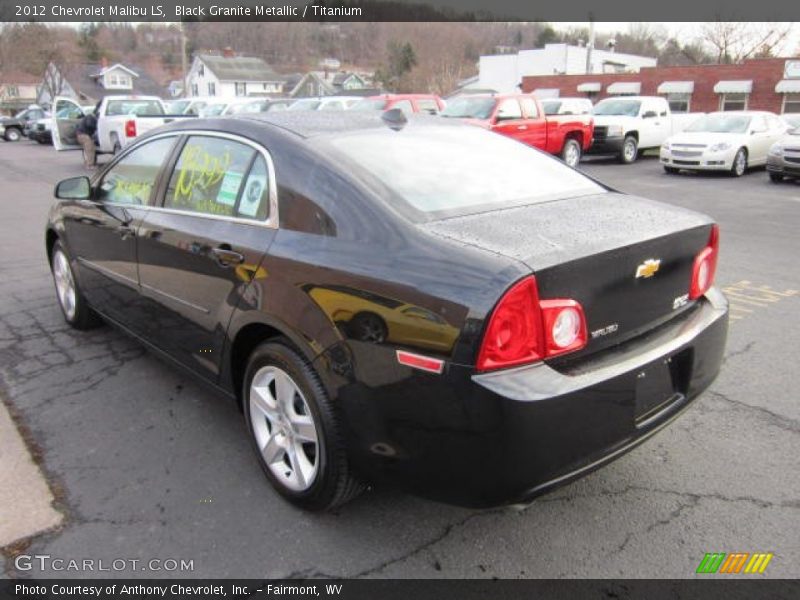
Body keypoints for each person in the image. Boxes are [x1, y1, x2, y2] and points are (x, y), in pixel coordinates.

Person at [75, 102, 100, 169]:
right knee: (90, 149)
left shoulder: (89, 117)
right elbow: (90, 125)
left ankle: (87, 163)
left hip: (80, 135)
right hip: (83, 135)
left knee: (89, 149)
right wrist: (97, 126)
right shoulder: (90, 117)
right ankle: (90, 165)